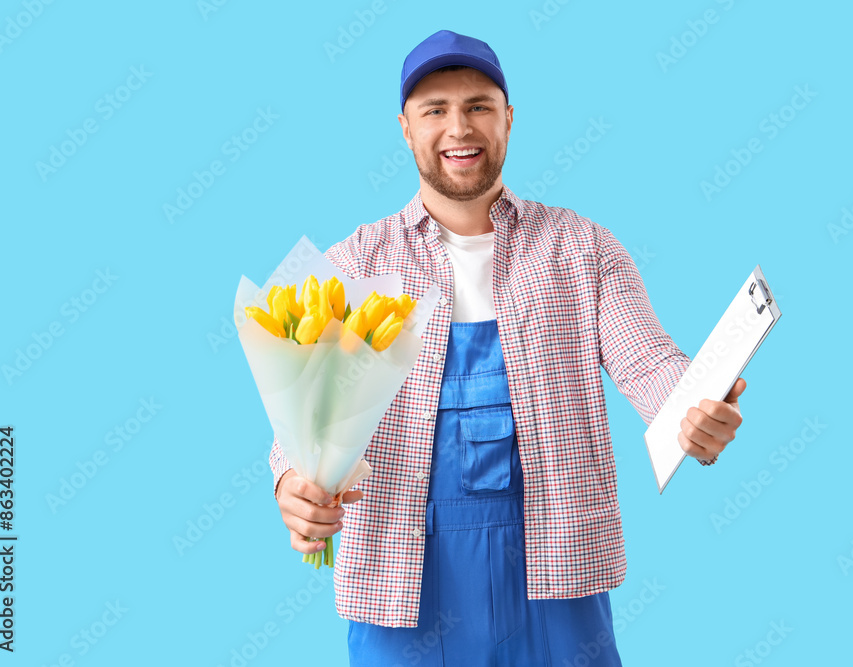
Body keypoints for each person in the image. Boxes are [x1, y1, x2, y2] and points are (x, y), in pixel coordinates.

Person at [270, 29, 747, 665]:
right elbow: (304, 415)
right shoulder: (357, 264)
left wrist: (692, 409)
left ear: (508, 119)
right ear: (406, 129)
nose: (458, 128)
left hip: (558, 579)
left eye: (478, 106)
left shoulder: (582, 249)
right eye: (434, 110)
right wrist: (290, 482)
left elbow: (649, 361)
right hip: (398, 581)